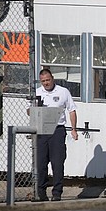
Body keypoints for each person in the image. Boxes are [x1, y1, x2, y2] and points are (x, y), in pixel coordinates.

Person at [34, 68, 78, 201]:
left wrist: (74, 129)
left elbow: (72, 110)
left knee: (57, 162)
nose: (46, 83)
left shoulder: (63, 92)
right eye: (43, 81)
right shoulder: (37, 92)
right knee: (41, 162)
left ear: (52, 78)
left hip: (57, 130)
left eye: (48, 80)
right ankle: (41, 192)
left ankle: (57, 192)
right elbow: (30, 111)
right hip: (42, 130)